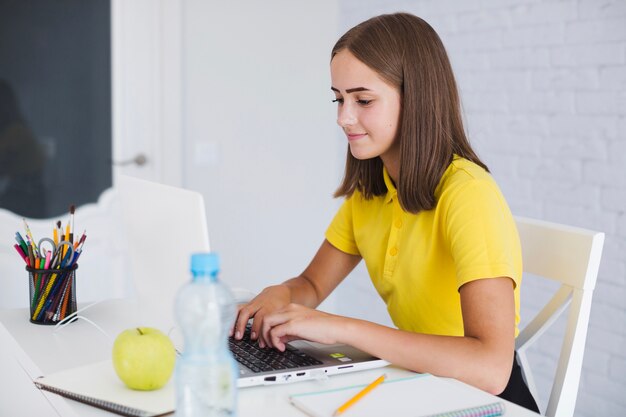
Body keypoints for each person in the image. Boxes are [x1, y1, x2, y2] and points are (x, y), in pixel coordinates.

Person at [232, 13, 539, 412]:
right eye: (338, 98)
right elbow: (311, 282)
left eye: (363, 100)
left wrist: (340, 327)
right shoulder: (371, 192)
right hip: (422, 386)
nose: (343, 117)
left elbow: (490, 367)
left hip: (482, 399)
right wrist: (282, 294)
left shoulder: (468, 194)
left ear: (417, 98)